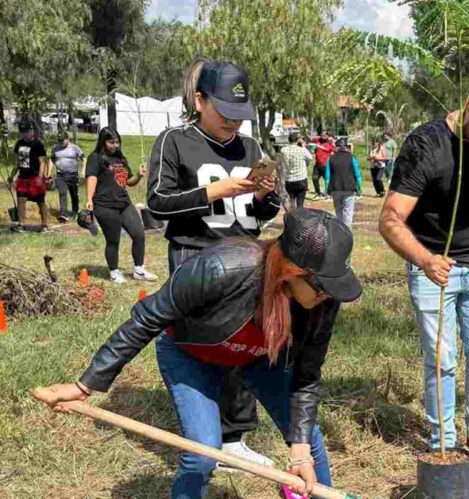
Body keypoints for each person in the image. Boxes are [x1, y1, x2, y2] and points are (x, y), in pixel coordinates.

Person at [35, 208, 372, 499]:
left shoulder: (321, 302)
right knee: (202, 453)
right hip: (191, 355)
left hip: (255, 357)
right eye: (324, 286)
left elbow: (308, 374)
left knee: (309, 439)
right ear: (293, 271)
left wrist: (299, 453)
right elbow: (148, 317)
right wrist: (86, 385)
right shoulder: (220, 268)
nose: (330, 294)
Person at [146, 57, 285, 473]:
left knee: (245, 342)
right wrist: (214, 191)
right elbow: (157, 203)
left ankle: (235, 437)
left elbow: (263, 215)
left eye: (240, 116)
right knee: (205, 343)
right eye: (224, 113)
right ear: (200, 99)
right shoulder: (175, 140)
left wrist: (264, 198)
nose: (233, 123)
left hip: (247, 257)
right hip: (196, 255)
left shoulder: (252, 147)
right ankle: (205, 432)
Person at [379, 76, 469, 465]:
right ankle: (441, 437)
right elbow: (390, 219)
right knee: (441, 360)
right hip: (433, 268)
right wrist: (425, 260)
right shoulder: (425, 144)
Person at [85, 128, 156, 284]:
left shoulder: (120, 159)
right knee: (113, 240)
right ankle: (114, 272)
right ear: (103, 142)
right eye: (111, 142)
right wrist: (89, 198)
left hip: (124, 203)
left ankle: (139, 270)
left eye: (117, 142)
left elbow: (128, 182)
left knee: (139, 234)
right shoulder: (95, 158)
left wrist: (138, 175)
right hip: (105, 205)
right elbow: (92, 178)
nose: (115, 145)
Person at [9, 121, 50, 232]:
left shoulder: (38, 144)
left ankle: (44, 224)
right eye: (23, 132)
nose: (25, 134)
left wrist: (40, 178)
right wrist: (12, 175)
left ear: (32, 131)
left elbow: (42, 162)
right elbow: (18, 161)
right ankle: (21, 224)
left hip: (35, 177)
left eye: (27, 131)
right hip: (23, 177)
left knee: (40, 201)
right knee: (21, 199)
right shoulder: (19, 144)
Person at [325, 136, 362, 227]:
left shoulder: (331, 158)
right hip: (349, 188)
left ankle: (340, 229)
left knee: (338, 210)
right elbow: (357, 175)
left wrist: (327, 190)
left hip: (335, 188)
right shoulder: (352, 158)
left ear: (336, 147)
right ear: (346, 147)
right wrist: (359, 189)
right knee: (348, 211)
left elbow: (327, 176)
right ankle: (347, 230)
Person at [51, 132, 85, 221]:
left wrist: (83, 170)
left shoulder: (74, 148)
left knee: (74, 194)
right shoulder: (55, 148)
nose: (61, 142)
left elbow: (84, 158)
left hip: (72, 174)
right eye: (59, 140)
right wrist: (48, 173)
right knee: (62, 193)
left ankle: (74, 211)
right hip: (60, 175)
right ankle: (63, 214)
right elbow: (52, 160)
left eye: (63, 140)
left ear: (67, 139)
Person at [279, 133, 314, 209]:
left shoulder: (283, 150)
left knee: (291, 203)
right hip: (301, 179)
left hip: (289, 180)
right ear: (298, 140)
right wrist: (303, 146)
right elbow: (310, 158)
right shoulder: (301, 150)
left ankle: (293, 218)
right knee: (300, 203)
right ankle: (300, 218)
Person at [311, 134, 335, 199]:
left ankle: (330, 193)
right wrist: (319, 137)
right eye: (322, 136)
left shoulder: (330, 145)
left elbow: (335, 150)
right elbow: (312, 138)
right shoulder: (318, 141)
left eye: (325, 136)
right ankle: (318, 193)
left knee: (328, 180)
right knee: (314, 178)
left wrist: (332, 141)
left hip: (325, 166)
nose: (323, 137)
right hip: (317, 165)